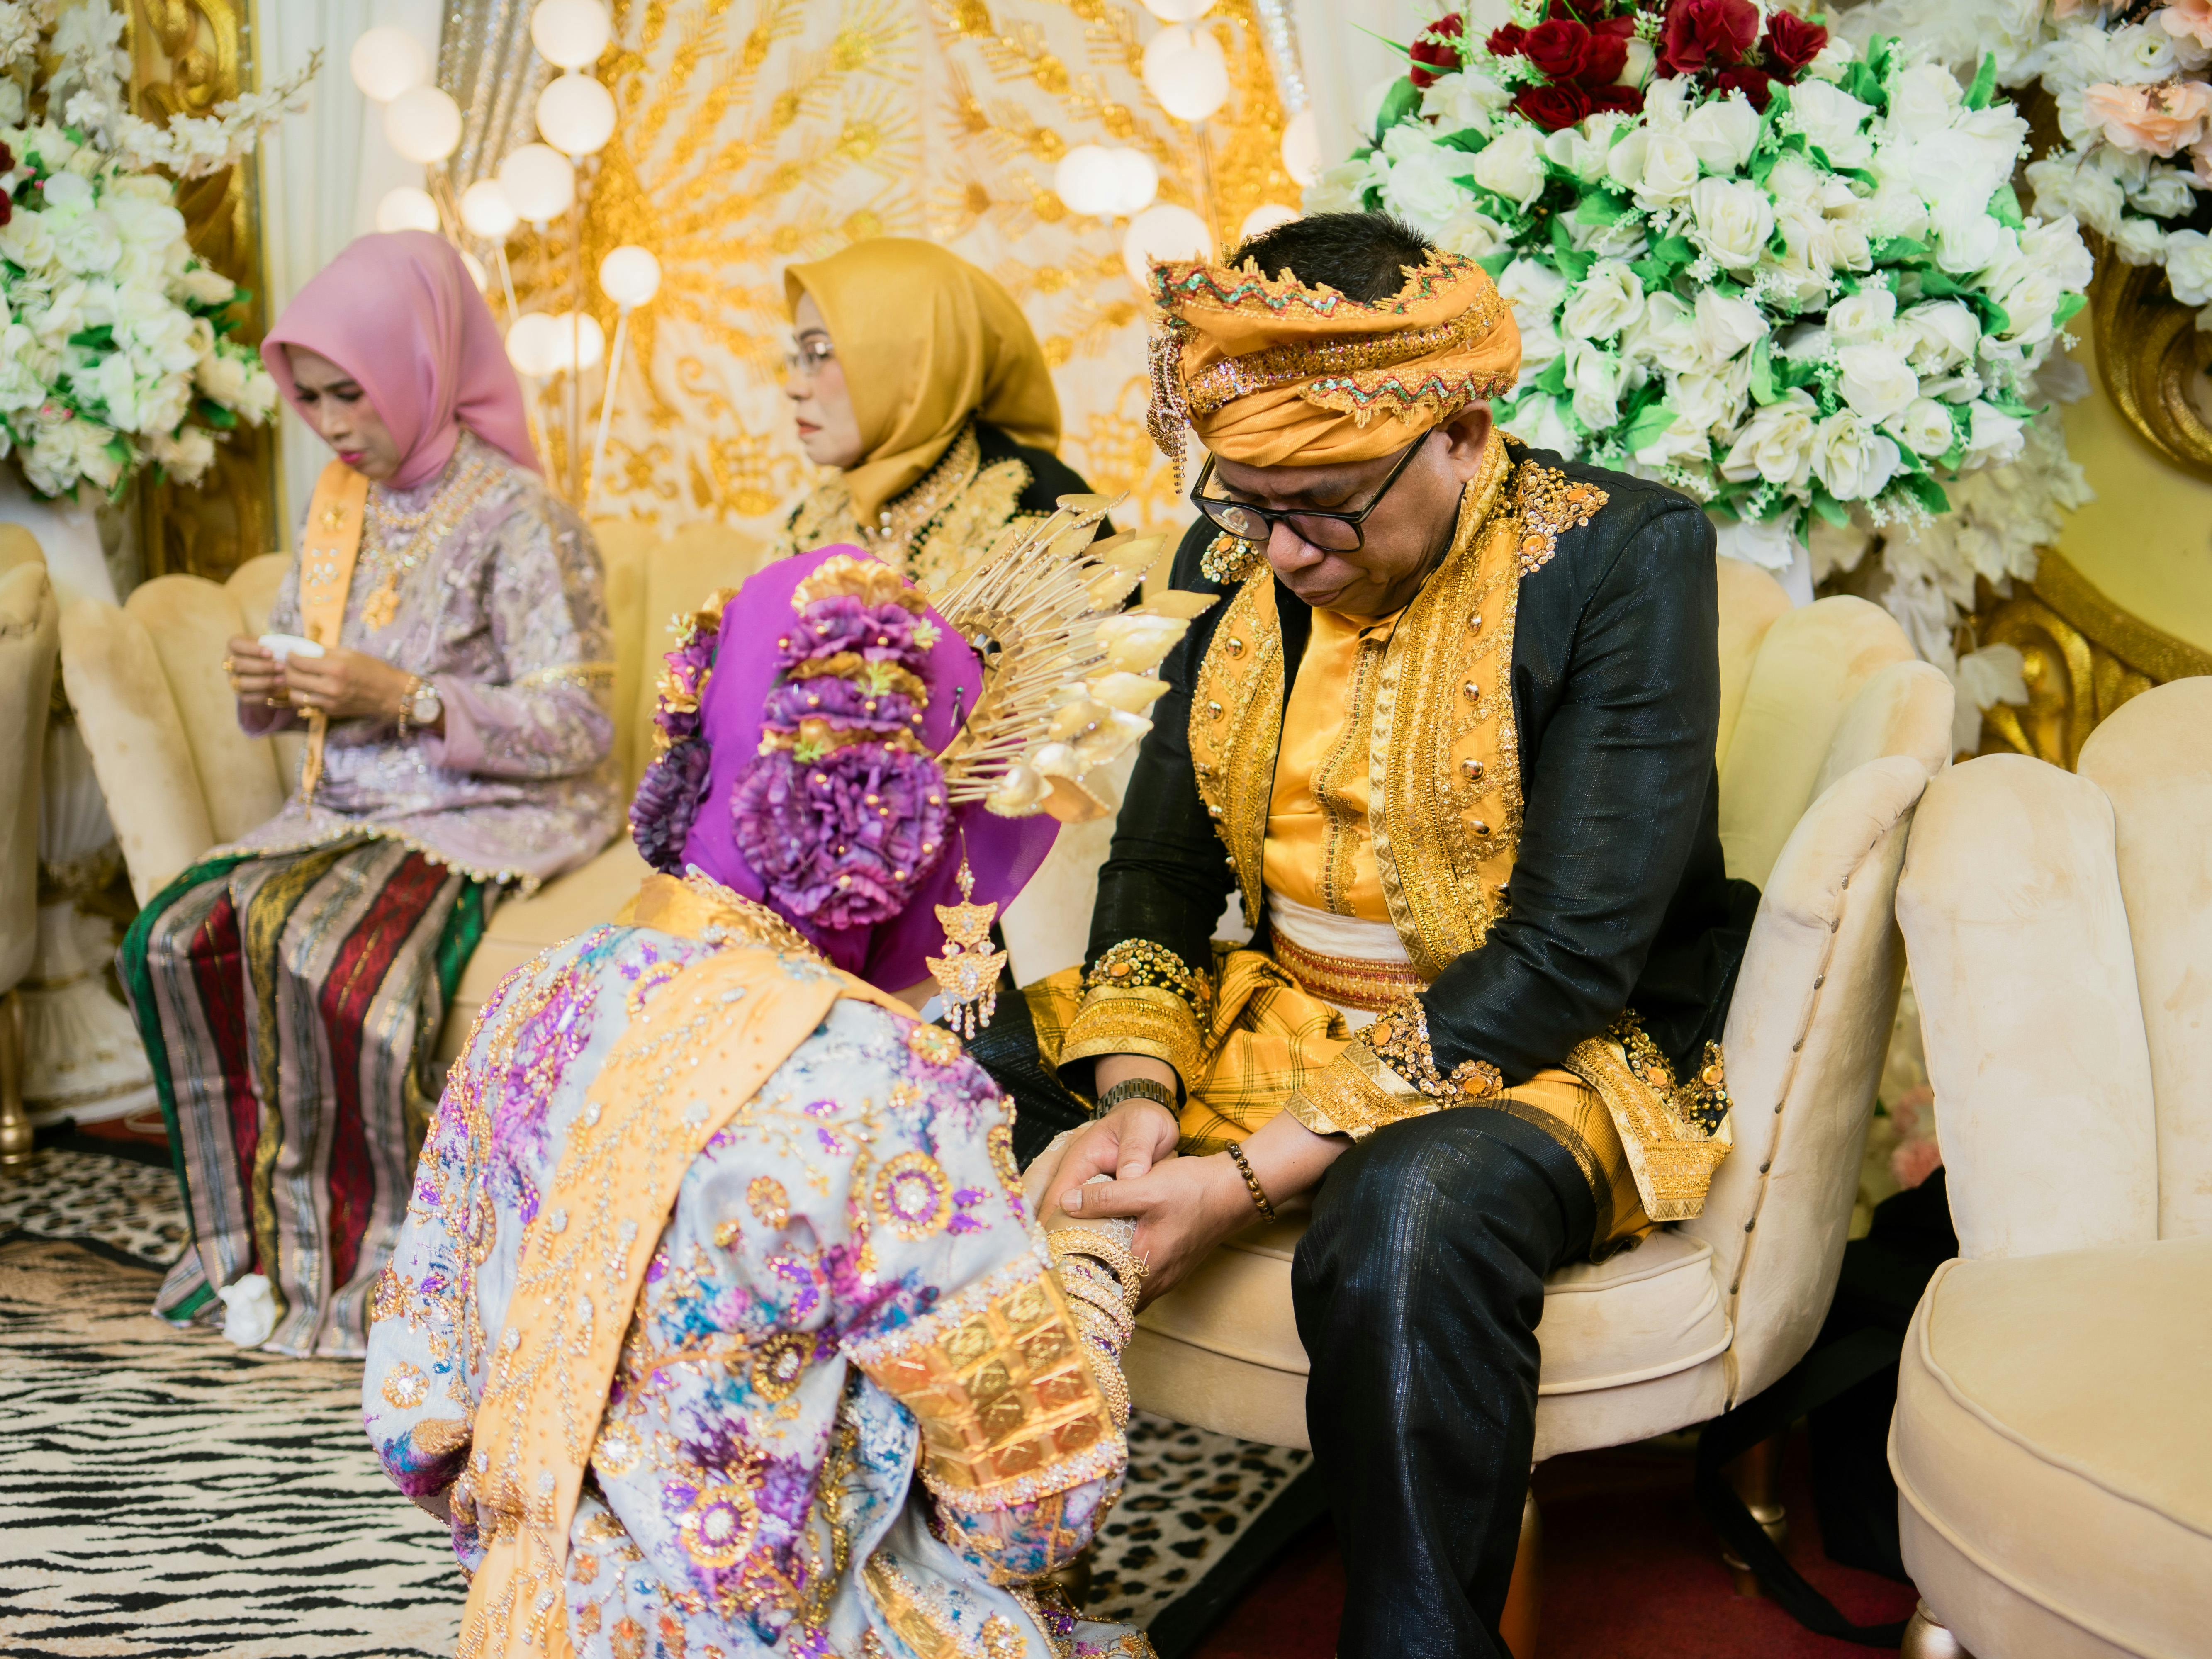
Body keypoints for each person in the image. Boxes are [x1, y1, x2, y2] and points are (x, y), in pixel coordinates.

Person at [1007, 213, 1759, 1657]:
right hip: (1285, 1005)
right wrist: (1140, 1104)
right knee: (915, 1080)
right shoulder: (1251, 553)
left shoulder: (1623, 556)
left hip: (1549, 1047)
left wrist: (1238, 1182)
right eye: (1245, 505)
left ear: (1463, 434)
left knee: (1407, 1212)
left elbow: (1565, 959)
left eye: (1326, 507)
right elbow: (1159, 860)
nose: (1283, 551)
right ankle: (940, 1581)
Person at [363, 543, 1152, 1659]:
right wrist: (1085, 1265)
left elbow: (418, 1397)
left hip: (524, 1623)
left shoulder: (536, 993)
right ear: (897, 819)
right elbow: (1032, 1507)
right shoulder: (879, 1082)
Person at [119, 231, 618, 1358]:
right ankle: (249, 1253)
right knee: (170, 936)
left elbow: (579, 724)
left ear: (422, 365)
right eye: (313, 400)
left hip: (473, 810)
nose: (336, 427)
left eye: (353, 394)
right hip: (343, 800)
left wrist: (410, 698)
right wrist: (274, 680)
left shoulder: (519, 518)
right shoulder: (341, 504)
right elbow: (313, 658)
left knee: (334, 962)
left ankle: (390, 1281)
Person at [771, 238, 1104, 590]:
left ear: (913, 360)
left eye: (818, 353)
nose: (794, 387)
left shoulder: (1042, 509)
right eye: (798, 356)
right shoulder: (815, 520)